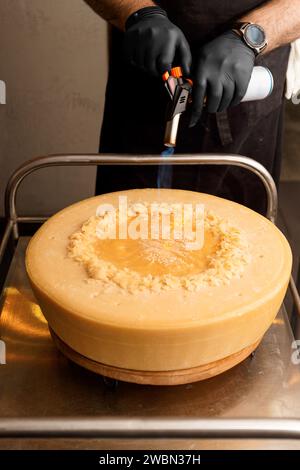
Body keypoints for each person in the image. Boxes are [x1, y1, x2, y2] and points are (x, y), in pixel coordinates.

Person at [87, 0, 300, 214]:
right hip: (142, 88)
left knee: (236, 231)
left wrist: (251, 36)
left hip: (246, 88)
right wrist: (137, 12)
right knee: (125, 227)